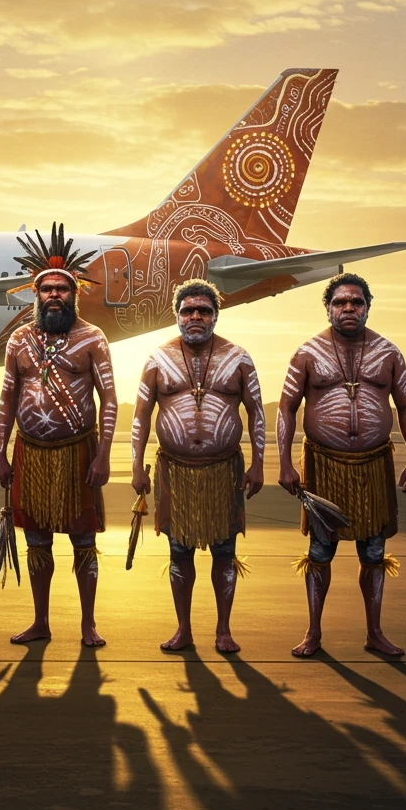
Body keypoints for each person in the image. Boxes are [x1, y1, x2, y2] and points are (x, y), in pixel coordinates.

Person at [277, 273, 406, 656]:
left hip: (374, 464)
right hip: (325, 465)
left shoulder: (389, 353)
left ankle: (374, 633)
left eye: (356, 302)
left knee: (373, 551)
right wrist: (286, 462)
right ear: (328, 309)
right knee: (321, 552)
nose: (349, 308)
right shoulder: (307, 353)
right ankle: (313, 633)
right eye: (340, 303)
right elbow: (287, 408)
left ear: (368, 307)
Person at [0, 225, 117, 647]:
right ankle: (40, 621)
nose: (53, 296)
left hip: (77, 453)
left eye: (61, 290)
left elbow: (111, 401)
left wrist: (102, 456)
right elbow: (7, 400)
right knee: (37, 539)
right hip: (30, 452)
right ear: (36, 295)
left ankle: (88, 624)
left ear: (74, 294)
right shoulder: (19, 339)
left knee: (83, 541)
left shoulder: (92, 338)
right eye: (45, 289)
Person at [131, 279, 264, 651]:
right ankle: (183, 629)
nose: (195, 317)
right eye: (188, 310)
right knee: (179, 551)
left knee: (224, 551)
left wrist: (259, 463)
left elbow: (256, 413)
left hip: (224, 471)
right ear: (176, 316)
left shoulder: (238, 357)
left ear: (216, 316)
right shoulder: (157, 359)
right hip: (175, 471)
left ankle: (223, 630)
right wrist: (136, 465)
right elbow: (141, 417)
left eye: (203, 311)